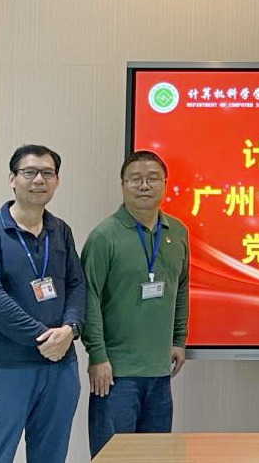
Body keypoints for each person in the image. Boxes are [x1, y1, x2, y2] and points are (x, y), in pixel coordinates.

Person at [0, 144, 85, 463]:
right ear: (12, 179)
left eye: (47, 173)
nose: (39, 180)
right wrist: (44, 337)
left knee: (51, 455)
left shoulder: (60, 230)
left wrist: (71, 329)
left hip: (60, 365)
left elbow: (77, 284)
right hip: (8, 365)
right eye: (29, 172)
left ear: (57, 180)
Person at [81, 150, 190, 457]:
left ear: (165, 184)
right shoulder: (104, 236)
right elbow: (89, 297)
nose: (144, 185)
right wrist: (97, 356)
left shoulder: (177, 233)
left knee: (155, 456)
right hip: (116, 373)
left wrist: (178, 339)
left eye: (153, 178)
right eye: (135, 179)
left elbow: (181, 288)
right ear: (123, 185)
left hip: (159, 372)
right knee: (113, 457)